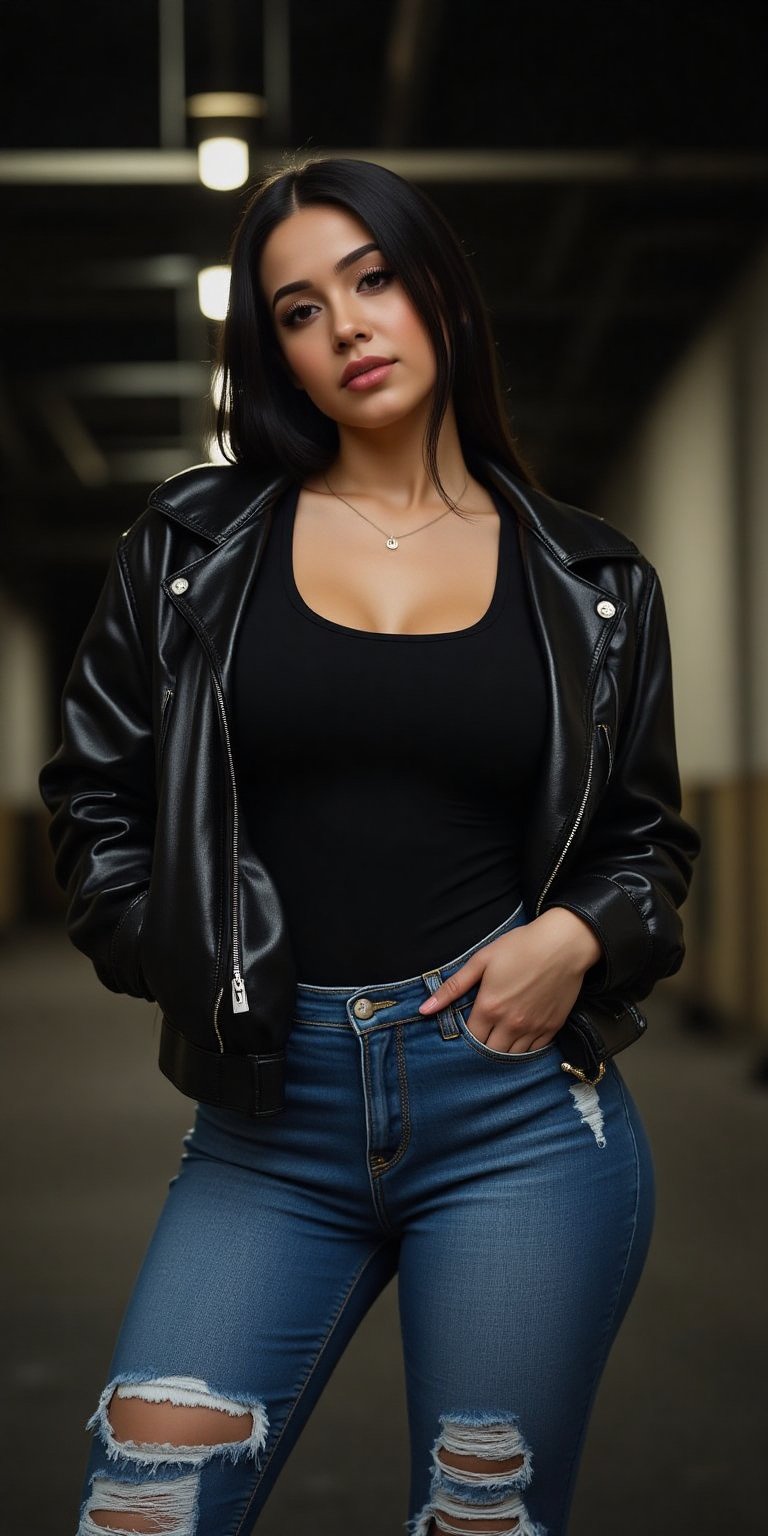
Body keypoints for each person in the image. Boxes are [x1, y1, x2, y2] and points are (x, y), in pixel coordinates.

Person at [39, 155, 701, 1536]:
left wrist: (576, 939)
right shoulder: (190, 546)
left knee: (482, 1524)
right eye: (296, 308)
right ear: (271, 353)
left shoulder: (594, 583)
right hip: (265, 1123)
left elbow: (647, 849)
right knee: (139, 1510)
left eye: (373, 278)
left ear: (441, 296)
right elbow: (94, 807)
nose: (343, 324)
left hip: (515, 1118)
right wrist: (190, 961)